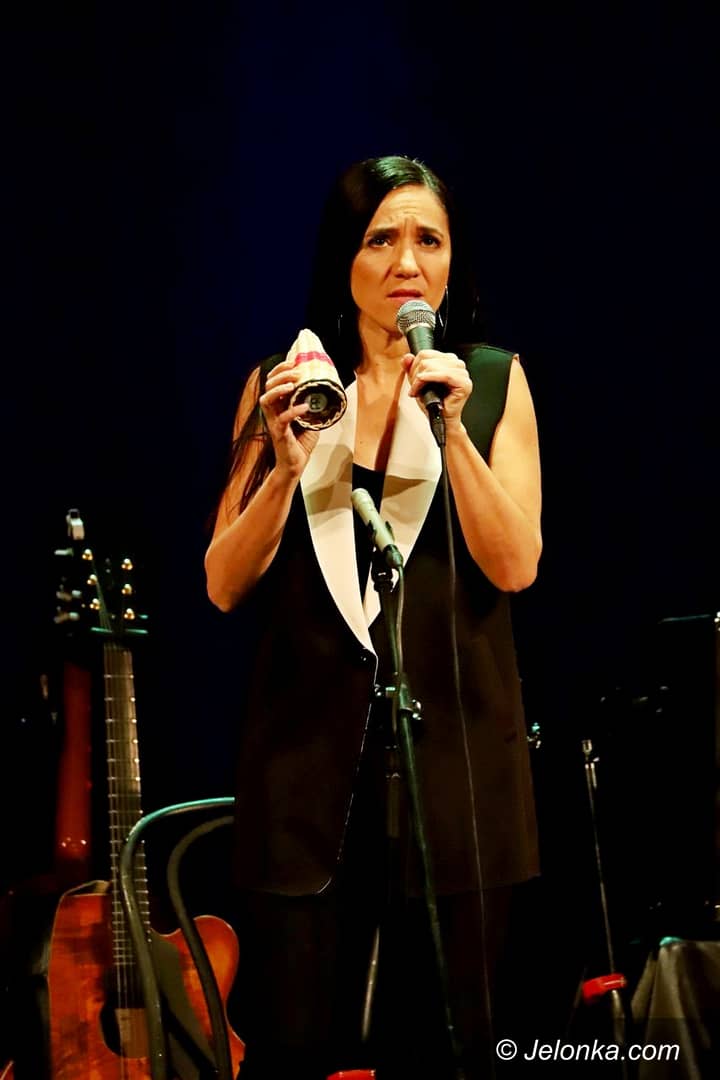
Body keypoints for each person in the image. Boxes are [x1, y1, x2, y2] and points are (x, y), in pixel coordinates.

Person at [205, 155, 542, 1080]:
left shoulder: (490, 383)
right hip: (305, 789)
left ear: (452, 260)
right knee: (296, 1051)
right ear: (343, 259)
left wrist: (451, 433)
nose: (406, 262)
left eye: (428, 239)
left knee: (447, 1052)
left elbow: (516, 563)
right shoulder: (286, 385)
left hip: (458, 783)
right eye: (381, 239)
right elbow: (223, 583)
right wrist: (284, 465)